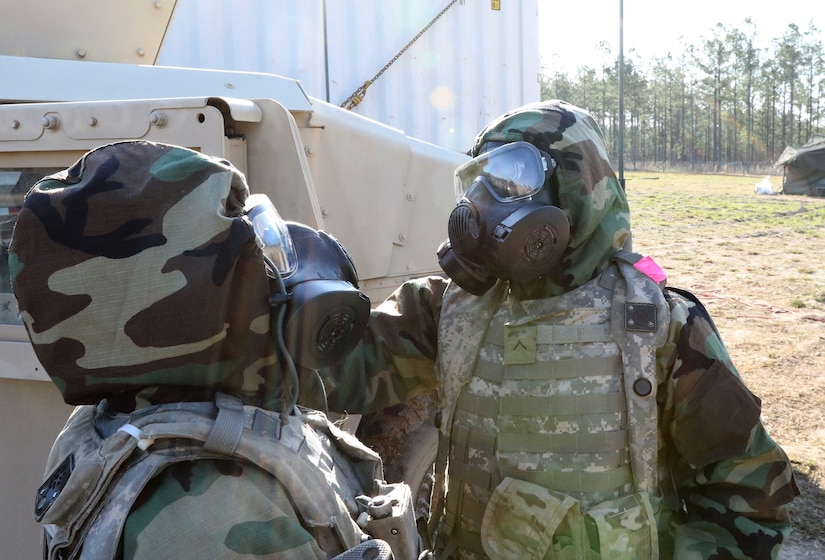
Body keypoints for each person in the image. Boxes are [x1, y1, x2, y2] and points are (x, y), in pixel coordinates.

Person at [320, 100, 800, 559]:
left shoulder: (660, 325)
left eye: (513, 178)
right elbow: (330, 366)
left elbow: (748, 492)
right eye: (481, 181)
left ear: (576, 187)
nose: (486, 203)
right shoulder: (446, 306)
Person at [10, 140, 415, 560]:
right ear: (190, 305)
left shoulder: (123, 418)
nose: (273, 266)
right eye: (251, 244)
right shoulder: (211, 515)